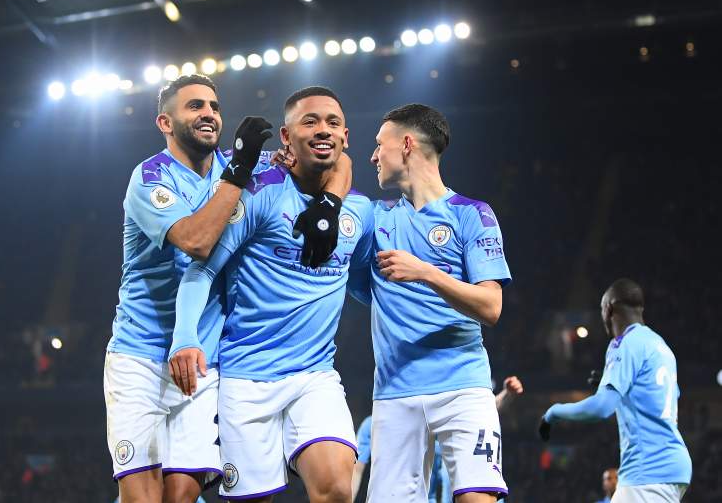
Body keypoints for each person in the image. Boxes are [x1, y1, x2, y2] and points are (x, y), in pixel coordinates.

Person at [104, 75, 350, 503]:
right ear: (165, 122)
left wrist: (330, 205)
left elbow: (331, 160)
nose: (209, 114)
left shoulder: (241, 165)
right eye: (195, 106)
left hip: (205, 359)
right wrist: (237, 172)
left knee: (180, 496)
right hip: (140, 356)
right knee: (143, 499)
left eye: (214, 107)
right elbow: (197, 242)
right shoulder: (149, 178)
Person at [170, 86, 371, 503]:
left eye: (333, 123)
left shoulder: (361, 211)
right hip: (247, 378)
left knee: (337, 487)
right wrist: (186, 335)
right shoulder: (259, 194)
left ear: (346, 136)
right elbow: (201, 268)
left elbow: (366, 284)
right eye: (309, 122)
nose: (323, 131)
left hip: (314, 376)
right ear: (285, 137)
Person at [353, 103, 512, 503]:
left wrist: (427, 272)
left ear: (406, 144)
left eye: (379, 145)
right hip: (393, 393)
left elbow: (491, 307)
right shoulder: (376, 218)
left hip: (462, 387)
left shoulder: (471, 214)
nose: (373, 156)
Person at [539, 278, 692, 502]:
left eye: (601, 309)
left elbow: (600, 408)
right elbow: (667, 395)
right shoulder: (661, 346)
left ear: (609, 307)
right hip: (674, 466)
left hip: (647, 469)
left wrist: (554, 412)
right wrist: (616, 383)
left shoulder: (624, 342)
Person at [351, 377, 524, 502]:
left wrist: (506, 396)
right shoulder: (373, 425)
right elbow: (356, 470)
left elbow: (480, 413)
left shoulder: (458, 413)